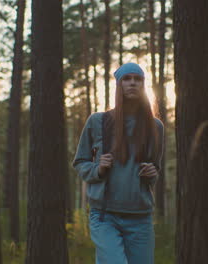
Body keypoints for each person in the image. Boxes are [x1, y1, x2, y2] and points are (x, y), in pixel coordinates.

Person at [73, 62, 164, 264]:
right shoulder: (98, 121)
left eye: (138, 79)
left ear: (143, 85)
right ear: (118, 84)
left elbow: (156, 167)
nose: (132, 83)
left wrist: (152, 172)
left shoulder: (155, 126)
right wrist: (97, 169)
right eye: (127, 79)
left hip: (140, 216)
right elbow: (80, 162)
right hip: (105, 216)